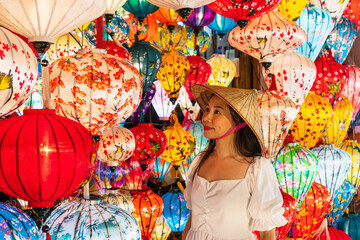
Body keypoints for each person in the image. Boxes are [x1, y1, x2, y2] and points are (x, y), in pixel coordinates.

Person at [182, 85, 287, 240]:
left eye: (217, 111)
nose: (206, 118)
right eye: (207, 109)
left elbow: (266, 233)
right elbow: (192, 220)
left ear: (239, 121)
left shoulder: (256, 169)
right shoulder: (199, 161)